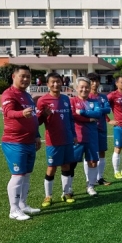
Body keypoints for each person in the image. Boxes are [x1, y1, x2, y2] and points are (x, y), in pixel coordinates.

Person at [1, 65, 41, 220]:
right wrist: (21, 113)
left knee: (26, 175)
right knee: (17, 175)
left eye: (28, 77)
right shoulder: (8, 94)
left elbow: (33, 117)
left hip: (29, 141)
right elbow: (8, 112)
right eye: (22, 76)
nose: (25, 79)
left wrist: (37, 135)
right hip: (14, 142)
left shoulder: (27, 95)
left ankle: (23, 205)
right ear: (13, 76)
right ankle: (14, 209)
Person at [36, 72, 76, 207]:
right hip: (53, 141)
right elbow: (37, 121)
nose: (55, 84)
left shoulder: (66, 99)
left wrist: (74, 134)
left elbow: (70, 119)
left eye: (58, 81)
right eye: (52, 82)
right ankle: (48, 196)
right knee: (51, 167)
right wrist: (42, 114)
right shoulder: (43, 100)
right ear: (47, 84)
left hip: (67, 139)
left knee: (66, 166)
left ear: (61, 83)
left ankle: (66, 193)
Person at [70, 77, 103, 196]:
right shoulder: (72, 101)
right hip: (77, 137)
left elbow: (98, 114)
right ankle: (68, 188)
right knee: (71, 163)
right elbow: (73, 115)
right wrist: (89, 118)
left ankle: (90, 186)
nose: (84, 89)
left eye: (87, 87)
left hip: (92, 136)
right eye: (82, 87)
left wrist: (83, 112)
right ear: (77, 88)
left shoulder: (94, 101)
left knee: (93, 162)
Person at [87, 72, 112, 186]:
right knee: (90, 154)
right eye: (91, 81)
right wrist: (99, 111)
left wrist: (96, 111)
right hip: (89, 129)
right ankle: (89, 179)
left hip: (102, 128)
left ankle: (100, 177)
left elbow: (108, 109)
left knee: (102, 152)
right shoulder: (86, 97)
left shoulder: (103, 97)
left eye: (96, 81)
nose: (94, 83)